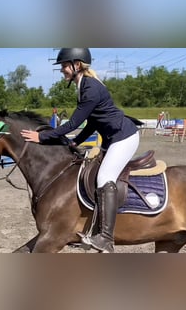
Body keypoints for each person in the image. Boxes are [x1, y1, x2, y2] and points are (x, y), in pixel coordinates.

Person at [20, 48, 140, 253]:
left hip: (123, 137)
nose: (62, 70)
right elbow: (92, 123)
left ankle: (105, 238)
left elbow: (74, 122)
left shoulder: (90, 88)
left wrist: (41, 136)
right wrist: (76, 142)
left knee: (105, 177)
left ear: (78, 65)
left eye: (65, 66)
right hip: (112, 138)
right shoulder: (84, 86)